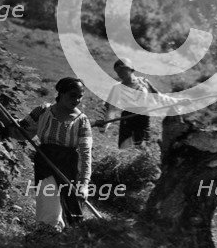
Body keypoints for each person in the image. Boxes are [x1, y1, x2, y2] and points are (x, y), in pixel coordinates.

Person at [19, 77, 92, 232]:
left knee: (72, 209)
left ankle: (72, 239)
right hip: (45, 163)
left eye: (80, 96)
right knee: (48, 205)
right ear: (61, 93)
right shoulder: (43, 111)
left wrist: (84, 185)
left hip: (69, 167)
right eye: (73, 95)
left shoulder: (82, 121)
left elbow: (86, 155)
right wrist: (5, 120)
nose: (77, 100)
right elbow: (22, 132)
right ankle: (48, 236)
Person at [96, 58, 178, 149]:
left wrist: (176, 102)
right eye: (117, 72)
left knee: (143, 147)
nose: (120, 74)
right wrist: (103, 124)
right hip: (127, 119)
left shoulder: (144, 82)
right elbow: (109, 108)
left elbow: (158, 96)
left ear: (130, 69)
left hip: (143, 118)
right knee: (125, 148)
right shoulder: (117, 88)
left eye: (122, 70)